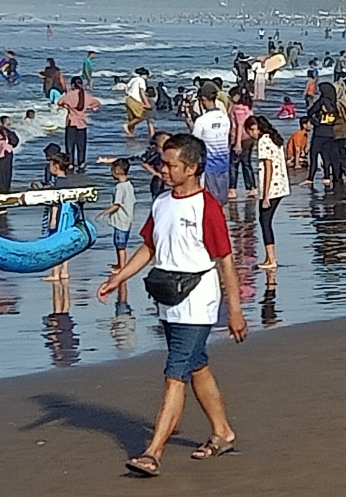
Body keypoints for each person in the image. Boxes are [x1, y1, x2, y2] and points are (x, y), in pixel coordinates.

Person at [97, 133, 247, 477]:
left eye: (170, 164)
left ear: (191, 168)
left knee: (175, 372)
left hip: (198, 299)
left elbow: (225, 261)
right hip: (167, 296)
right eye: (163, 163)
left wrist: (235, 310)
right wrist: (119, 277)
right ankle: (223, 432)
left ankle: (153, 452)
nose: (162, 169)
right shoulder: (162, 202)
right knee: (196, 365)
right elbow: (149, 247)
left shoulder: (207, 207)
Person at [247, 115, 291, 270]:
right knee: (266, 221)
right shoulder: (274, 139)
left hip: (272, 188)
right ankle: (270, 257)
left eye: (250, 130)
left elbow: (268, 168)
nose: (251, 134)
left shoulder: (263, 141)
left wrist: (265, 195)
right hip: (281, 185)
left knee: (265, 222)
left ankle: (271, 259)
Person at [191, 82, 232, 203]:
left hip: (208, 165)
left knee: (209, 200)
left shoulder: (201, 121)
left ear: (203, 99)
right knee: (221, 200)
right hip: (224, 163)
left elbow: (195, 144)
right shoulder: (225, 118)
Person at [98, 158, 137, 273]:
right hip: (127, 219)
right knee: (119, 243)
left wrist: (104, 213)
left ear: (117, 171)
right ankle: (120, 263)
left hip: (121, 220)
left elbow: (117, 204)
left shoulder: (120, 187)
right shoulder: (129, 185)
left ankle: (122, 266)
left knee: (120, 245)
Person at [56, 77, 100, 173]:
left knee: (70, 146)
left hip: (71, 122)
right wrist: (90, 108)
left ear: (72, 85)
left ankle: (70, 164)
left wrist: (66, 106)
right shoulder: (86, 95)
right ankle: (81, 163)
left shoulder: (70, 95)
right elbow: (97, 103)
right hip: (82, 123)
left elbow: (59, 102)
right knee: (81, 146)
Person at [227, 88, 255, 200]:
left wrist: (237, 143)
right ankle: (251, 188)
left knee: (233, 165)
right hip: (249, 138)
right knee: (246, 163)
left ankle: (232, 189)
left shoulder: (238, 109)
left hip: (240, 139)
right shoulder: (247, 108)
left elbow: (240, 126)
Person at [124, 68, 154, 138]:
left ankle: (130, 134)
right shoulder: (141, 80)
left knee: (132, 118)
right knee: (140, 116)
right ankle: (127, 125)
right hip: (136, 100)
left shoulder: (133, 79)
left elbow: (126, 89)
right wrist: (146, 102)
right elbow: (142, 92)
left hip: (128, 99)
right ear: (146, 75)